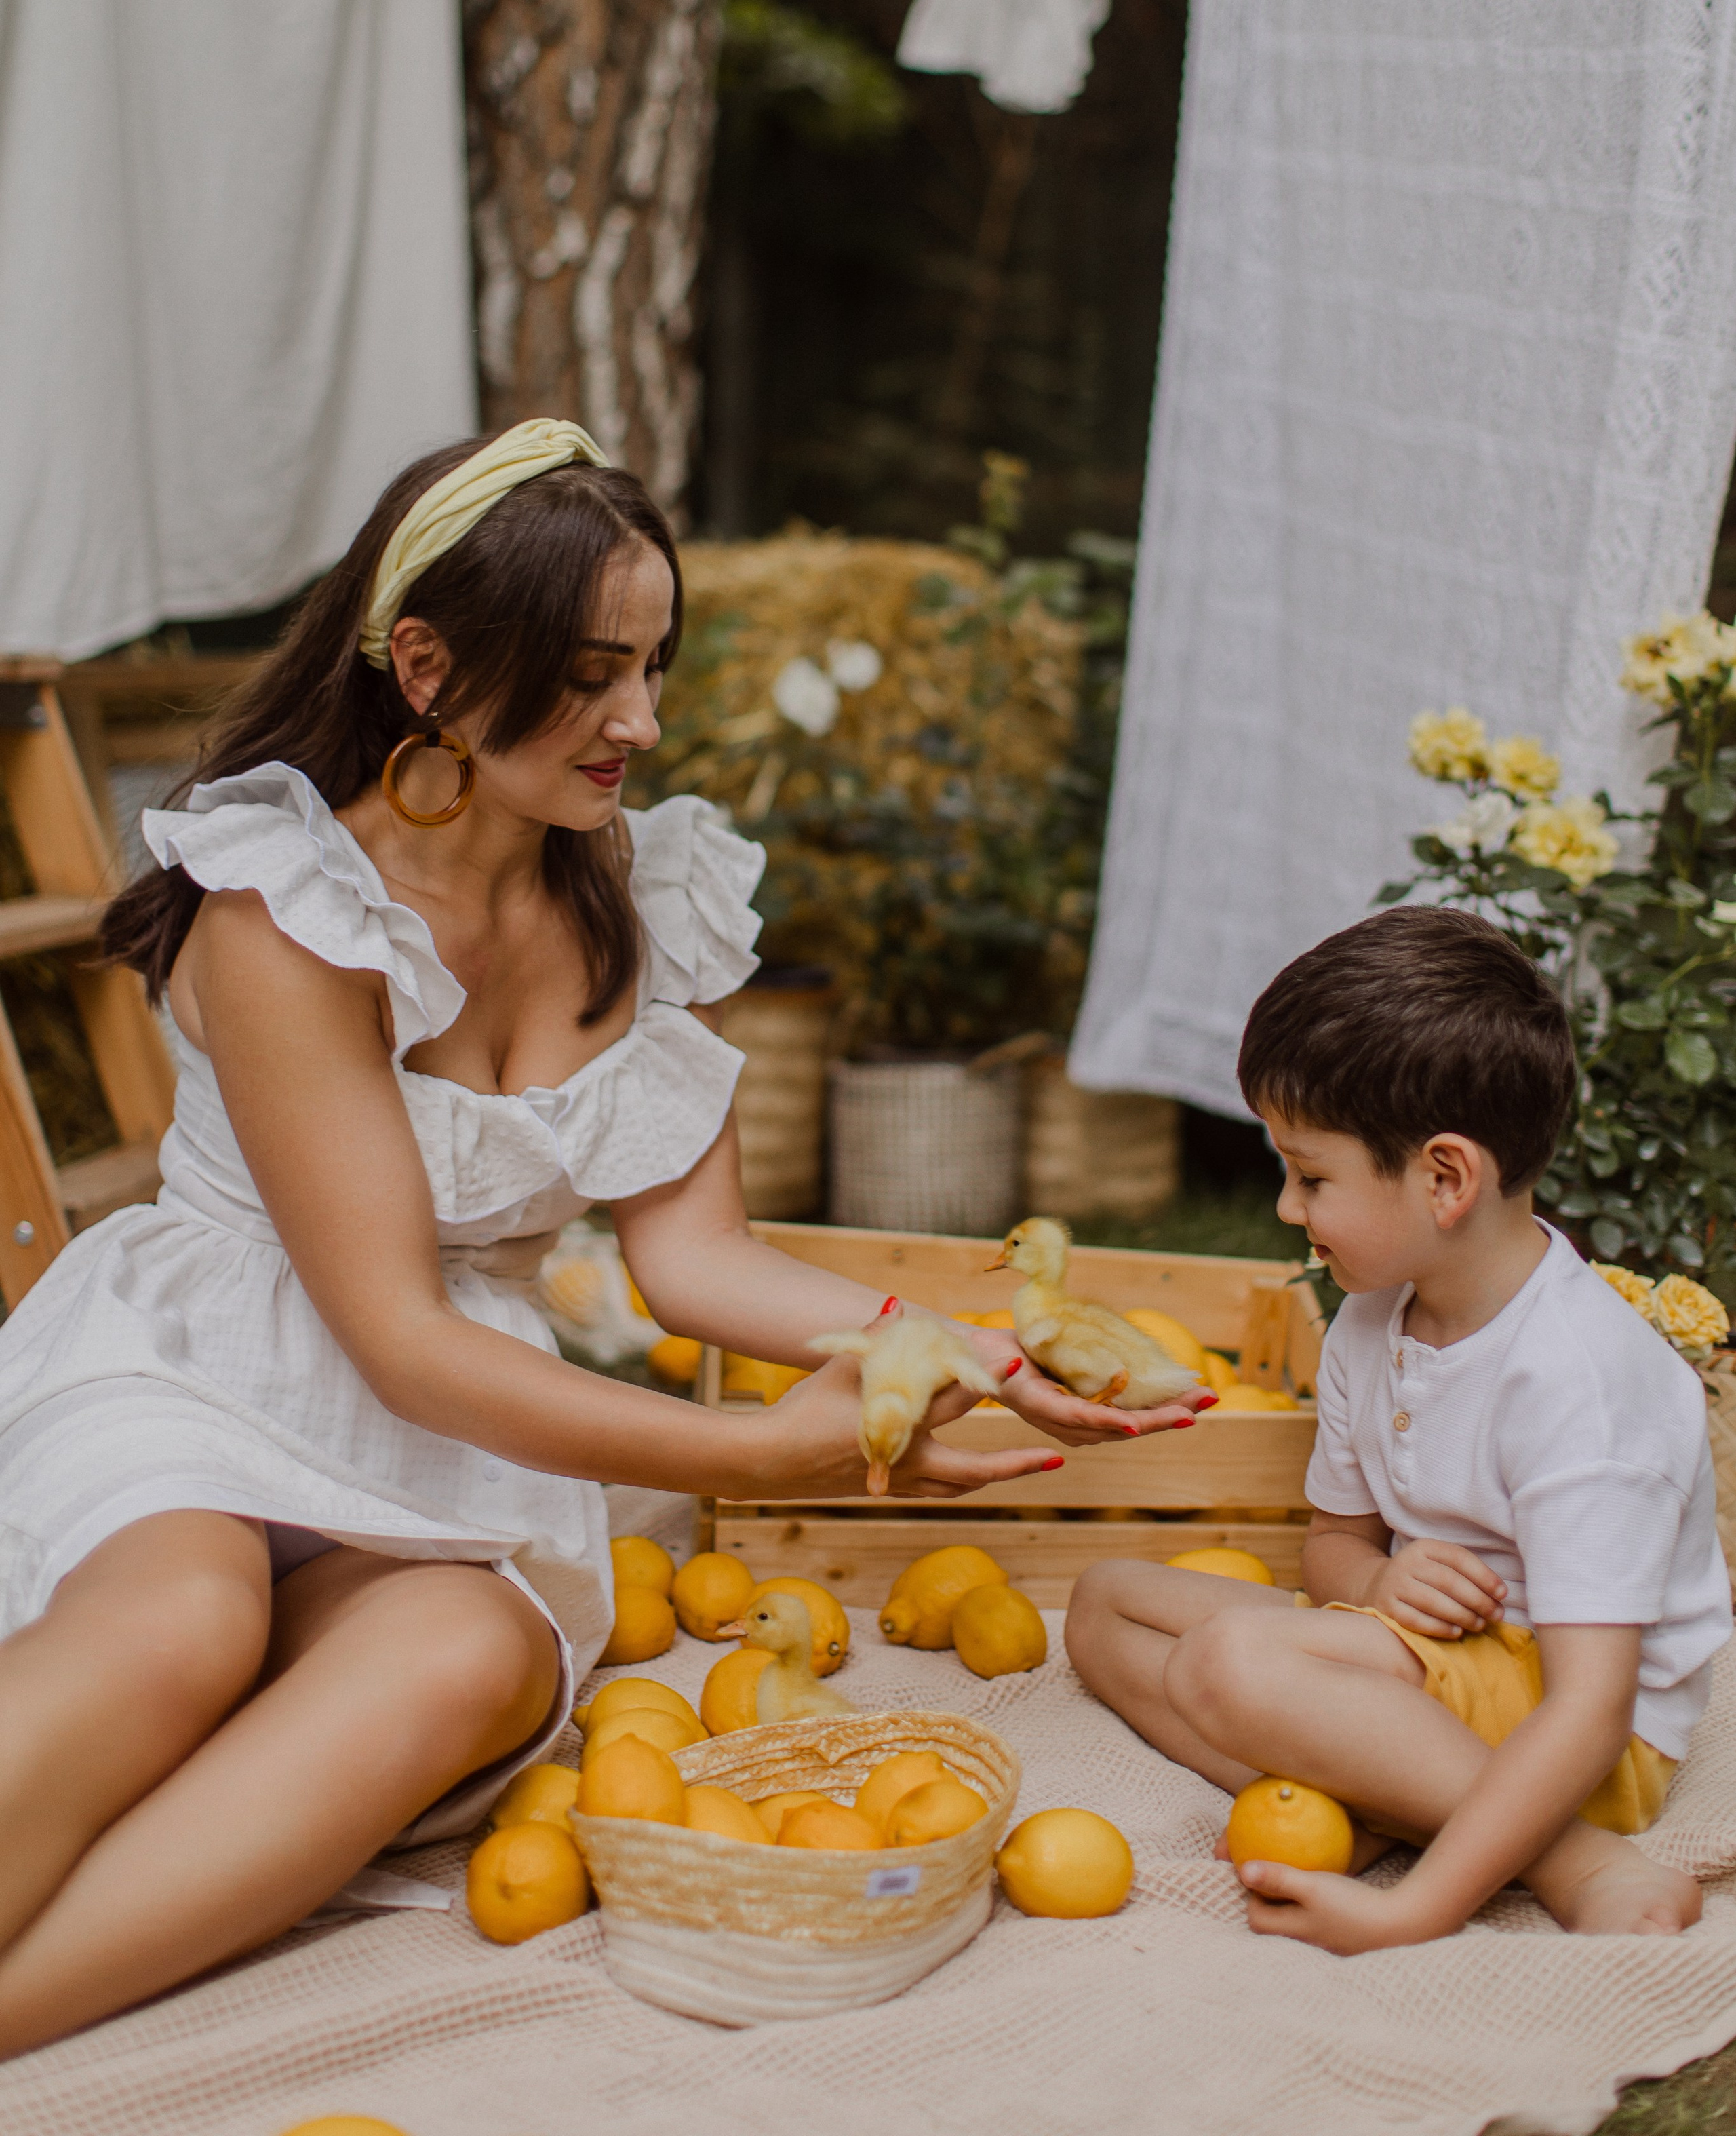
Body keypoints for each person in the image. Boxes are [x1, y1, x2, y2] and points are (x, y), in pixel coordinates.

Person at [0, 423, 1209, 2055]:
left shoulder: (640, 890)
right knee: (186, 1627)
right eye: (587, 675)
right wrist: (760, 1454)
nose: (639, 721)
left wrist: (966, 1353)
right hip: (209, 1368)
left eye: (651, 665)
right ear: (424, 663)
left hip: (448, 1417)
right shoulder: (289, 908)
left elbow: (696, 1265)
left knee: (460, 1668)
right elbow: (396, 1340)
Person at [1067, 906, 1730, 1950]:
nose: (1288, 1209)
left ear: (1445, 1177)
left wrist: (1410, 1918)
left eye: (1312, 1177)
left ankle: (1570, 1859)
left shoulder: (1582, 1380)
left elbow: (1593, 1709)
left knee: (1228, 1666)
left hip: (1584, 1737)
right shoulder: (1373, 1321)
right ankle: (1386, 1798)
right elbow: (1336, 1544)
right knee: (1106, 1607)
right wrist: (1375, 1585)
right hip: (1427, 1665)